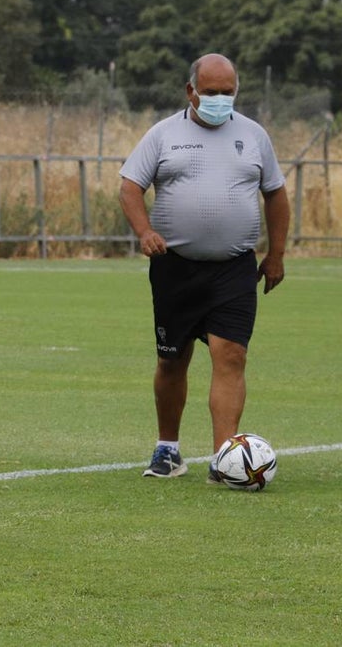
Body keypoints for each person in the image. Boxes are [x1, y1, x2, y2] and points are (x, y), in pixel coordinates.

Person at [119, 53, 290, 484]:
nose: (219, 99)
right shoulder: (162, 135)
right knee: (172, 362)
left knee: (231, 355)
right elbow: (129, 187)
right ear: (191, 91)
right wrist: (143, 231)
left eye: (227, 92)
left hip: (234, 268)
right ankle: (168, 450)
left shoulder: (253, 136)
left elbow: (276, 194)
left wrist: (276, 254)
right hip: (174, 267)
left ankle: (225, 458)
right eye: (211, 92)